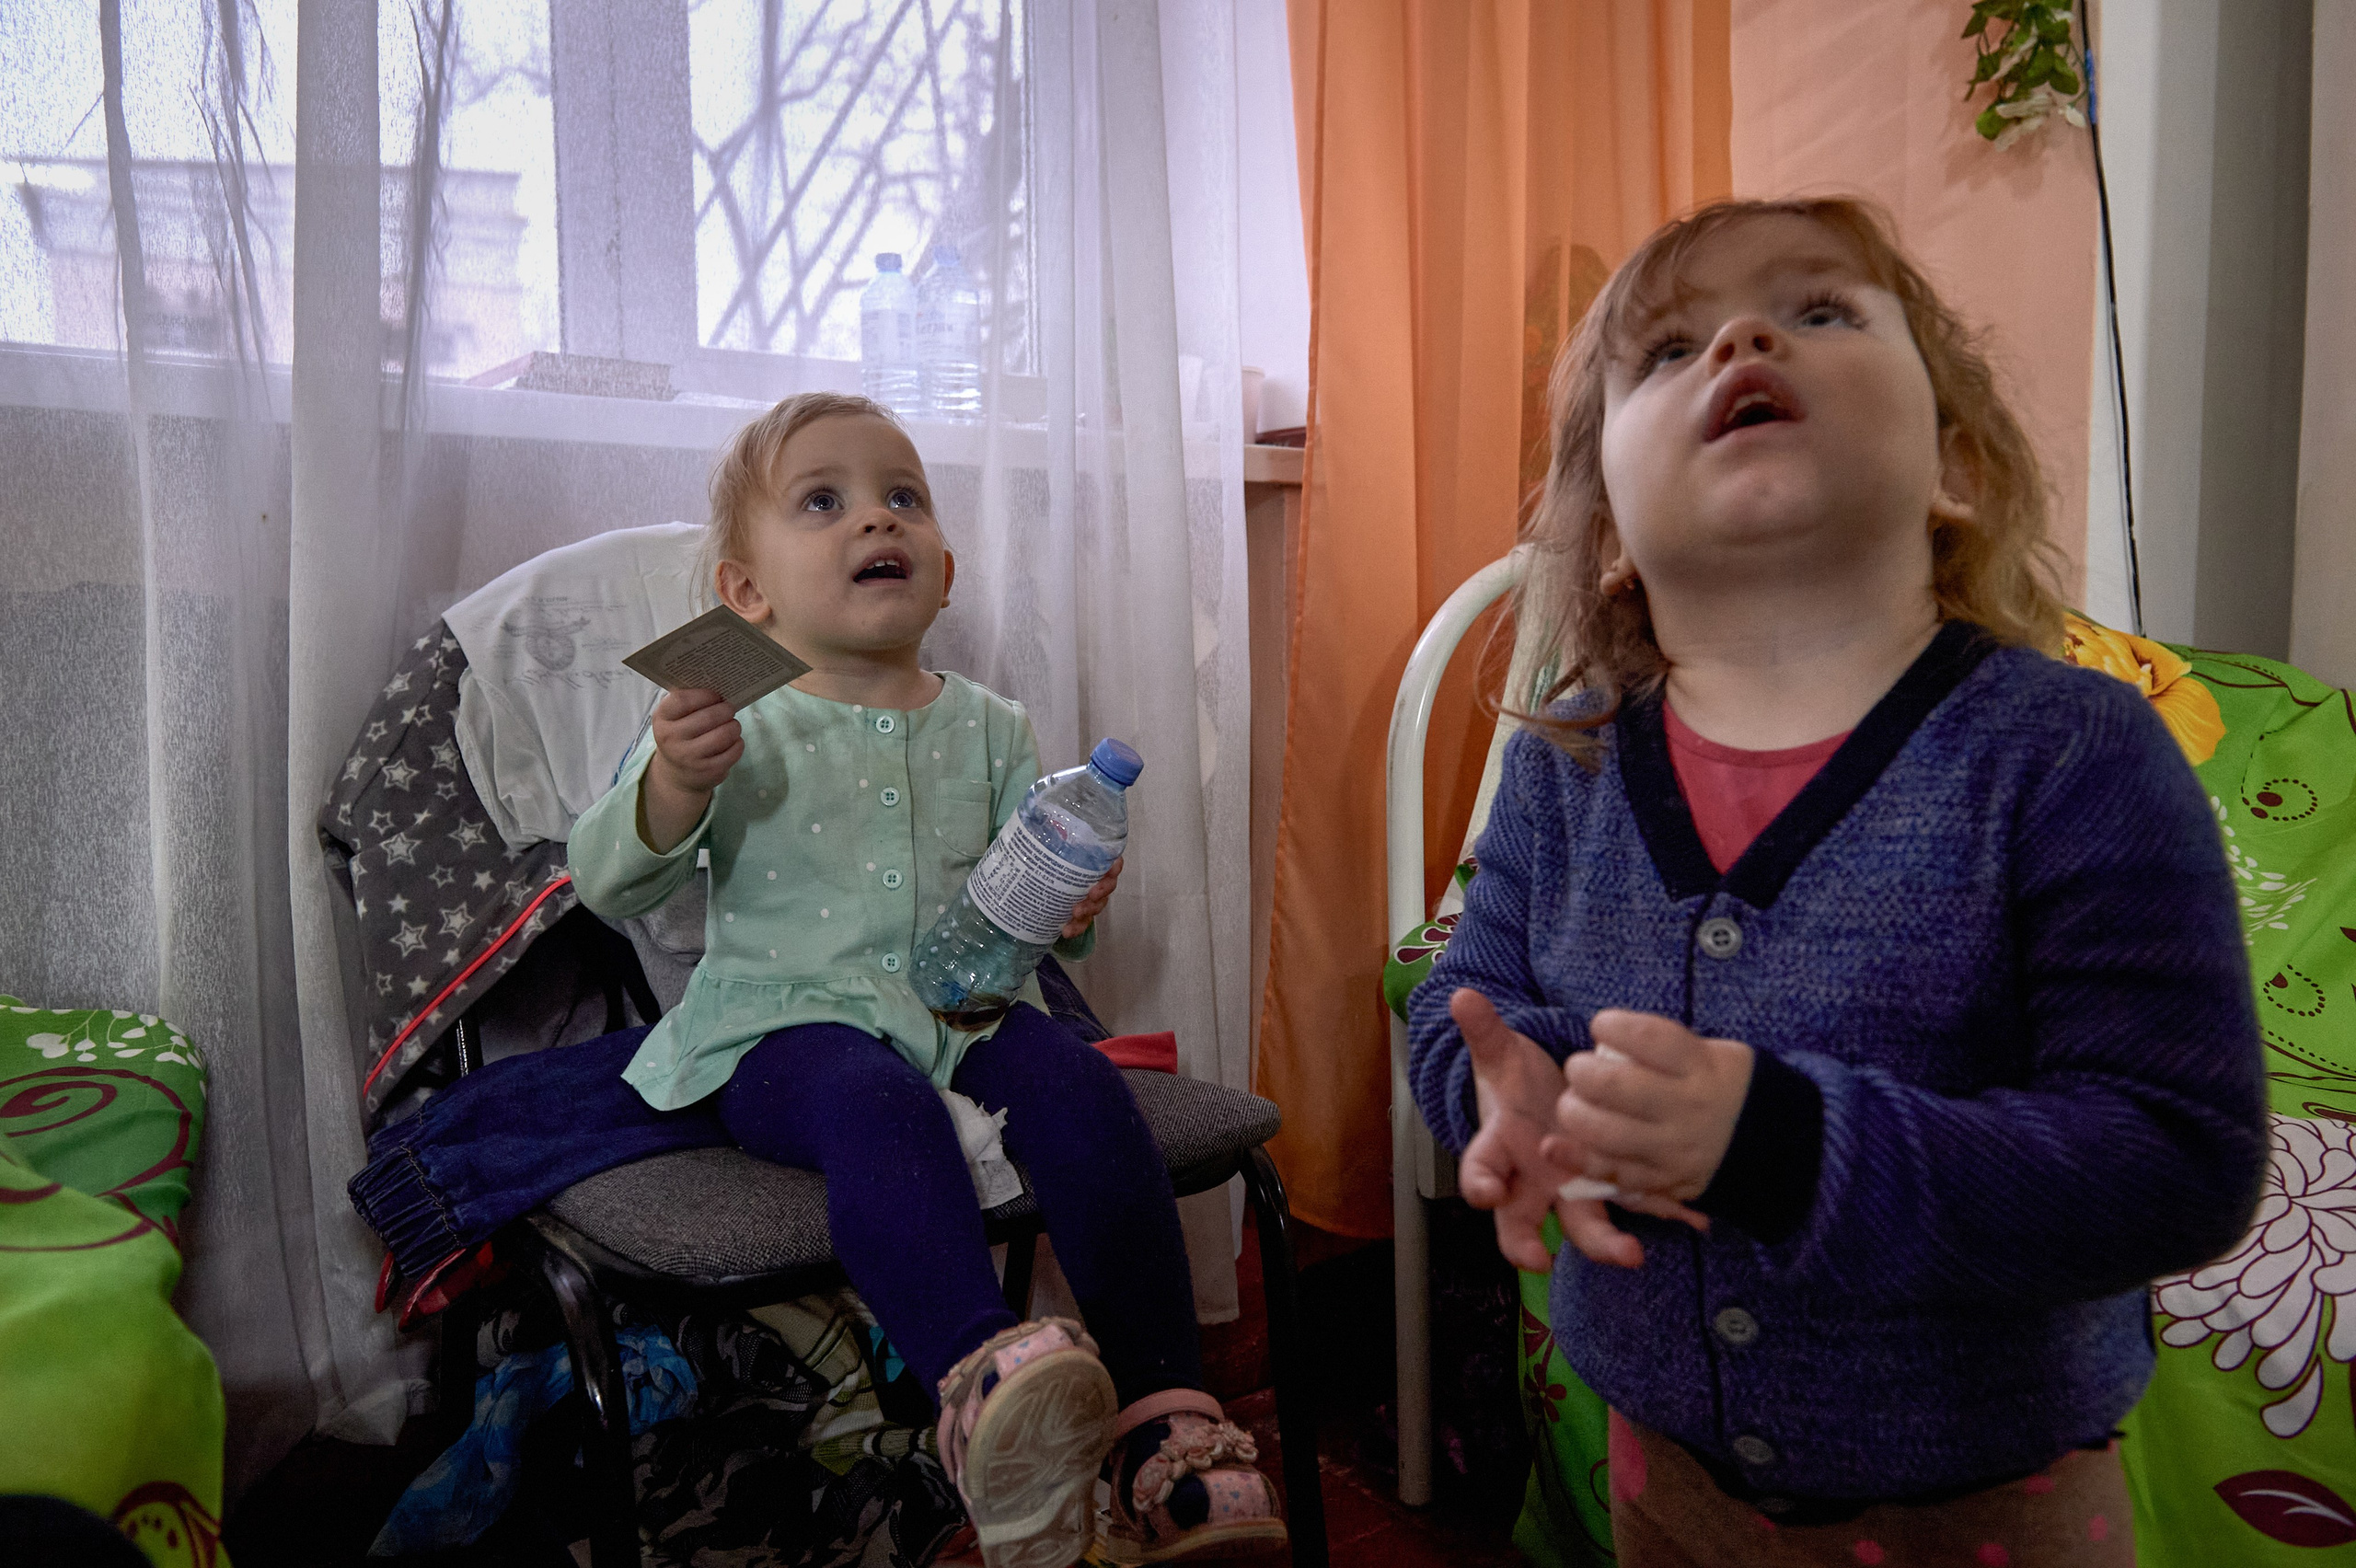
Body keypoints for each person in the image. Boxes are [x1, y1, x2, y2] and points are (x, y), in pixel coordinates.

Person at [1405, 197, 2269, 1567]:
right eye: (1668, 348)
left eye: (1819, 312)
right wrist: (1507, 1093)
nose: (1744, 339)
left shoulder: (2075, 753)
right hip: (1664, 1489)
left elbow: (2177, 1161)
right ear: (1612, 532)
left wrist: (1786, 1144)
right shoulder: (1566, 759)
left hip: (1990, 1512)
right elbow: (1465, 998)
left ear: (1957, 468)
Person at [568, 393, 1285, 1568]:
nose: (873, 519)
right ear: (745, 595)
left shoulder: (994, 726)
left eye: (902, 496)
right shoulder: (727, 716)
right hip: (781, 1034)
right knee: (872, 1101)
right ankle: (980, 1382)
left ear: (943, 572)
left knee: (1074, 1080)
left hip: (965, 1016)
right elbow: (606, 883)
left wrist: (1076, 906)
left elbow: (1025, 909)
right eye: (823, 501)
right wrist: (672, 783)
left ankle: (1165, 1418)